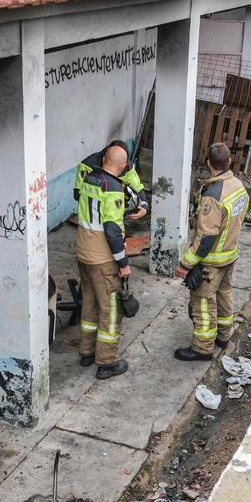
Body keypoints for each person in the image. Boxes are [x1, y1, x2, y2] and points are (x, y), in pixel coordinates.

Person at [73, 143, 145, 379]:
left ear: (103, 158)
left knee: (90, 303)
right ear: (124, 166)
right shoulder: (113, 187)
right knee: (111, 310)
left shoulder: (89, 179)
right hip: (103, 259)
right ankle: (106, 361)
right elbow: (112, 230)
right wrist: (123, 263)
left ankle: (86, 352)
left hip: (83, 253)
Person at [174, 143, 249, 361]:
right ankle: (224, 336)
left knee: (203, 302)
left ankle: (202, 348)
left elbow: (206, 237)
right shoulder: (238, 186)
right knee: (224, 295)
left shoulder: (213, 195)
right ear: (230, 162)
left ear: (208, 163)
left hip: (212, 261)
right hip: (229, 254)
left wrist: (186, 263)